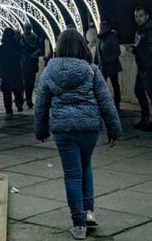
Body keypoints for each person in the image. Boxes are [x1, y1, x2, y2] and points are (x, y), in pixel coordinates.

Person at [34, 28, 122, 240]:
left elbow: (41, 104)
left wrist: (41, 129)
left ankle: (79, 224)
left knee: (72, 174)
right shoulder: (91, 70)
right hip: (89, 128)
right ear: (82, 46)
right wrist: (114, 129)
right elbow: (105, 101)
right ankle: (88, 212)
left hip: (63, 130)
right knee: (86, 167)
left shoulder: (50, 70)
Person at [131, 4, 152, 132]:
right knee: (139, 91)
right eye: (136, 16)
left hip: (148, 66)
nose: (138, 19)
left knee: (151, 94)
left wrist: (135, 50)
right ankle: (146, 119)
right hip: (144, 66)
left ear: (147, 16)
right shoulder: (143, 29)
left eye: (141, 16)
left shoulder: (150, 30)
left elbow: (150, 50)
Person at [94, 20, 122, 111]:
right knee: (101, 87)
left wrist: (108, 60)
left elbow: (117, 51)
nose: (101, 29)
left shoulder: (112, 36)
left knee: (115, 86)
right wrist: (95, 63)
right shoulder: (99, 37)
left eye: (103, 27)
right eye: (100, 27)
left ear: (107, 27)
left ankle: (117, 105)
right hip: (102, 67)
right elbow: (97, 51)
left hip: (112, 67)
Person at [0, 28, 25, 115]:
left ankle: (8, 109)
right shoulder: (16, 45)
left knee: (7, 92)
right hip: (16, 70)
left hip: (6, 71)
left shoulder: (2, 46)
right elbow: (22, 53)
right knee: (18, 89)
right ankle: (19, 103)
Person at [21, 25, 44, 108]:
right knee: (24, 82)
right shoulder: (22, 38)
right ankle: (24, 97)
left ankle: (29, 98)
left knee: (30, 82)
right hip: (24, 63)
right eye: (26, 29)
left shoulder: (35, 38)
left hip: (32, 63)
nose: (27, 30)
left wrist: (35, 54)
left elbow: (40, 49)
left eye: (29, 29)